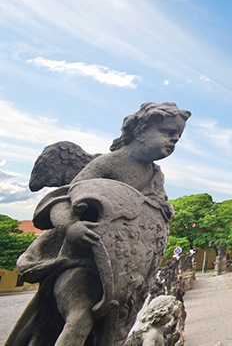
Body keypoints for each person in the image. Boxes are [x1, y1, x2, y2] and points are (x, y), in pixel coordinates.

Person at [7, 102, 191, 346]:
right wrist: (70, 227)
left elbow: (152, 217)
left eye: (176, 139)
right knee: (80, 321)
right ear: (139, 131)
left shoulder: (156, 175)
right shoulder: (108, 164)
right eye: (167, 133)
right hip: (84, 260)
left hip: (118, 273)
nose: (172, 142)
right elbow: (63, 200)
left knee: (105, 332)